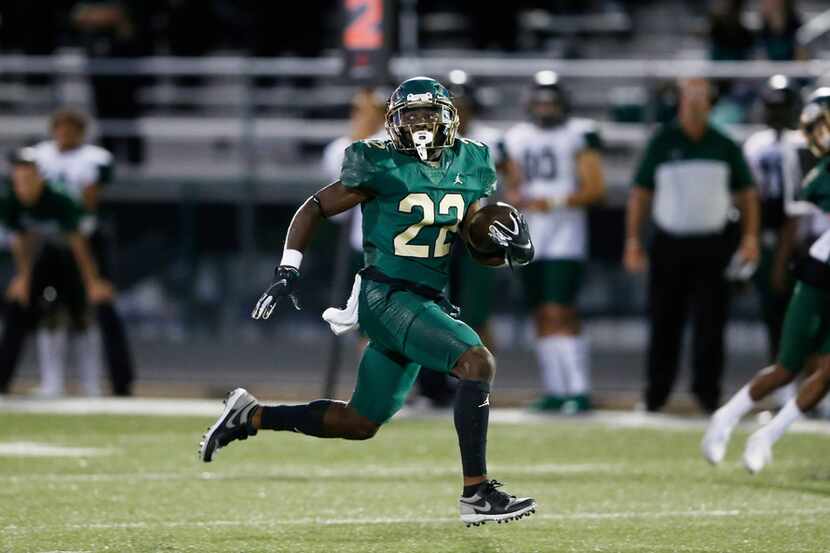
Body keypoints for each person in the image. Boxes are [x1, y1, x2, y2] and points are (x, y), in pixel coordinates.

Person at [200, 77, 537, 526]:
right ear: (393, 121)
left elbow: (472, 230)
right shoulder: (377, 162)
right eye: (410, 115)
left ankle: (251, 415)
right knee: (477, 362)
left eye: (428, 113)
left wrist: (500, 237)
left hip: (425, 297)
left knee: (360, 422)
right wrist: (288, 268)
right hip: (386, 294)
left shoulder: (472, 160)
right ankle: (476, 493)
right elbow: (314, 207)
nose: (419, 123)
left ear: (448, 117)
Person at [702, 88, 830, 473]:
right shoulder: (818, 172)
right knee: (787, 366)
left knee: (827, 372)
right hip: (820, 275)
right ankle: (725, 418)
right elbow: (803, 204)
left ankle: (767, 436)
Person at [624, 77, 760, 413]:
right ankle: (656, 395)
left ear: (710, 103)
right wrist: (632, 240)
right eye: (691, 96)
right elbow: (640, 195)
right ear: (681, 101)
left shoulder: (724, 143)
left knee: (711, 323)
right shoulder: (662, 141)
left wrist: (750, 237)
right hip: (669, 243)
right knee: (664, 322)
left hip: (713, 245)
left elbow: (747, 194)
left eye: (702, 97)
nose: (696, 103)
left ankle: (708, 395)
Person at [504, 71, 606, 414]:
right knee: (540, 314)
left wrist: (555, 201)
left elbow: (595, 189)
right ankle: (555, 389)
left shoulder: (579, 134)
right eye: (540, 101)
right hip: (530, 234)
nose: (546, 108)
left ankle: (578, 389)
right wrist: (514, 194)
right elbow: (513, 182)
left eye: (551, 101)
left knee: (560, 311)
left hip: (565, 234)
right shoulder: (517, 137)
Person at [32, 108, 135, 396]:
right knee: (47, 308)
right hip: (51, 241)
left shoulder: (94, 159)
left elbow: (88, 201)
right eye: (60, 129)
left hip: (86, 240)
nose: (64, 135)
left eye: (70, 129)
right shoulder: (40, 156)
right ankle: (51, 381)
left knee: (91, 310)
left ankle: (97, 382)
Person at [0, 148, 113, 395]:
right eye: (18, 181)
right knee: (45, 312)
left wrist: (91, 281)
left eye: (28, 179)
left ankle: (91, 383)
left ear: (40, 178)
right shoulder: (10, 200)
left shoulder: (60, 198)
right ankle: (52, 383)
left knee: (83, 315)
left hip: (75, 255)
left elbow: (78, 243)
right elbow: (21, 239)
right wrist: (23, 277)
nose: (23, 187)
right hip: (43, 256)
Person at [743, 76, 804, 366]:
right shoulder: (755, 144)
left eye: (781, 106)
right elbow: (748, 197)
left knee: (805, 317)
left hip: (804, 239)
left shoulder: (804, 143)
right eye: (771, 106)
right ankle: (784, 387)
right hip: (766, 233)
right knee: (773, 313)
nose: (775, 113)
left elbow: (800, 205)